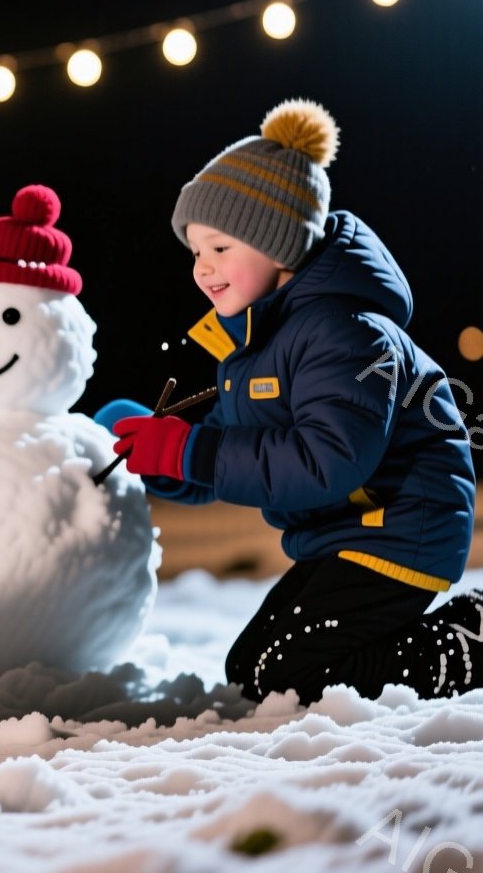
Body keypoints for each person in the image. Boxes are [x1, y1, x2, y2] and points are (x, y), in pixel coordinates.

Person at [102, 99, 479, 702]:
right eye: (196, 251)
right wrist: (162, 458)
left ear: (279, 245)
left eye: (221, 248)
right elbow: (235, 449)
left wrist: (190, 452)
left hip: (401, 526)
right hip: (344, 536)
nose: (203, 268)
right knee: (251, 667)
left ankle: (464, 644)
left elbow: (327, 460)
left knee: (280, 675)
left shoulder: (346, 332)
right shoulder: (257, 344)